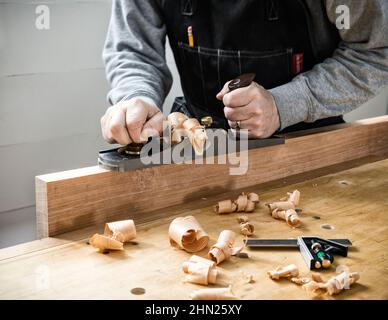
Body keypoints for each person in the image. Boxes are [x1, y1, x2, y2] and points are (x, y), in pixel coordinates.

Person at [101, 0, 388, 145]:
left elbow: (376, 51)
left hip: (307, 143)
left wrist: (284, 104)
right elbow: (133, 49)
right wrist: (135, 94)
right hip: (201, 147)